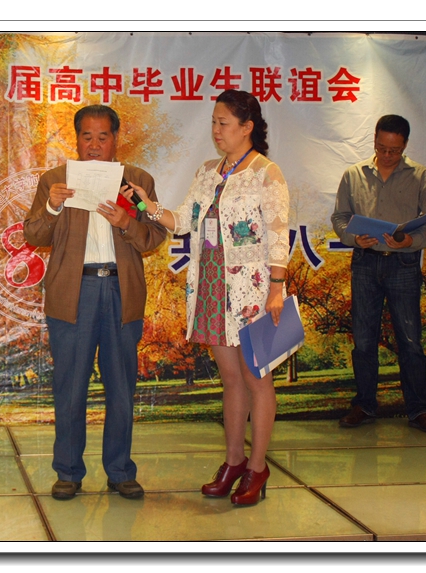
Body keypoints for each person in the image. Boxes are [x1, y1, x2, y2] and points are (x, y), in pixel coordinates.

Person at [122, 90, 289, 506]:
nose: (216, 130)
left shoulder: (266, 173)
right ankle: (233, 462)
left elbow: (278, 233)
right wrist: (147, 205)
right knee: (231, 379)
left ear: (247, 127)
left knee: (257, 379)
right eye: (213, 122)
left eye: (224, 123)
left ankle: (257, 467)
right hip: (212, 286)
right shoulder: (208, 172)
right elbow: (182, 221)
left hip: (252, 290)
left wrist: (276, 288)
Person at [23, 105, 167, 501]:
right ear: (77, 139)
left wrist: (127, 222)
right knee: (70, 387)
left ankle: (120, 471)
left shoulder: (136, 182)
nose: (94, 145)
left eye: (103, 137)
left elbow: (155, 236)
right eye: (87, 136)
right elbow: (33, 235)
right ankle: (68, 471)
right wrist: (52, 207)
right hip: (74, 292)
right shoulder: (56, 181)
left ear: (116, 139)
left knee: (121, 386)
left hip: (121, 291)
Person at [331, 114, 426, 433]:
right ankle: (364, 405)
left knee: (410, 340)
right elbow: (340, 217)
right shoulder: (354, 174)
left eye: (394, 150)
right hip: (365, 262)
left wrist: (412, 240)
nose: (386, 155)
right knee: (364, 339)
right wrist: (354, 237)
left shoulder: (421, 176)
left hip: (403, 263)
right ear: (375, 140)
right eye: (381, 148)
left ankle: (419, 410)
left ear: (405, 145)